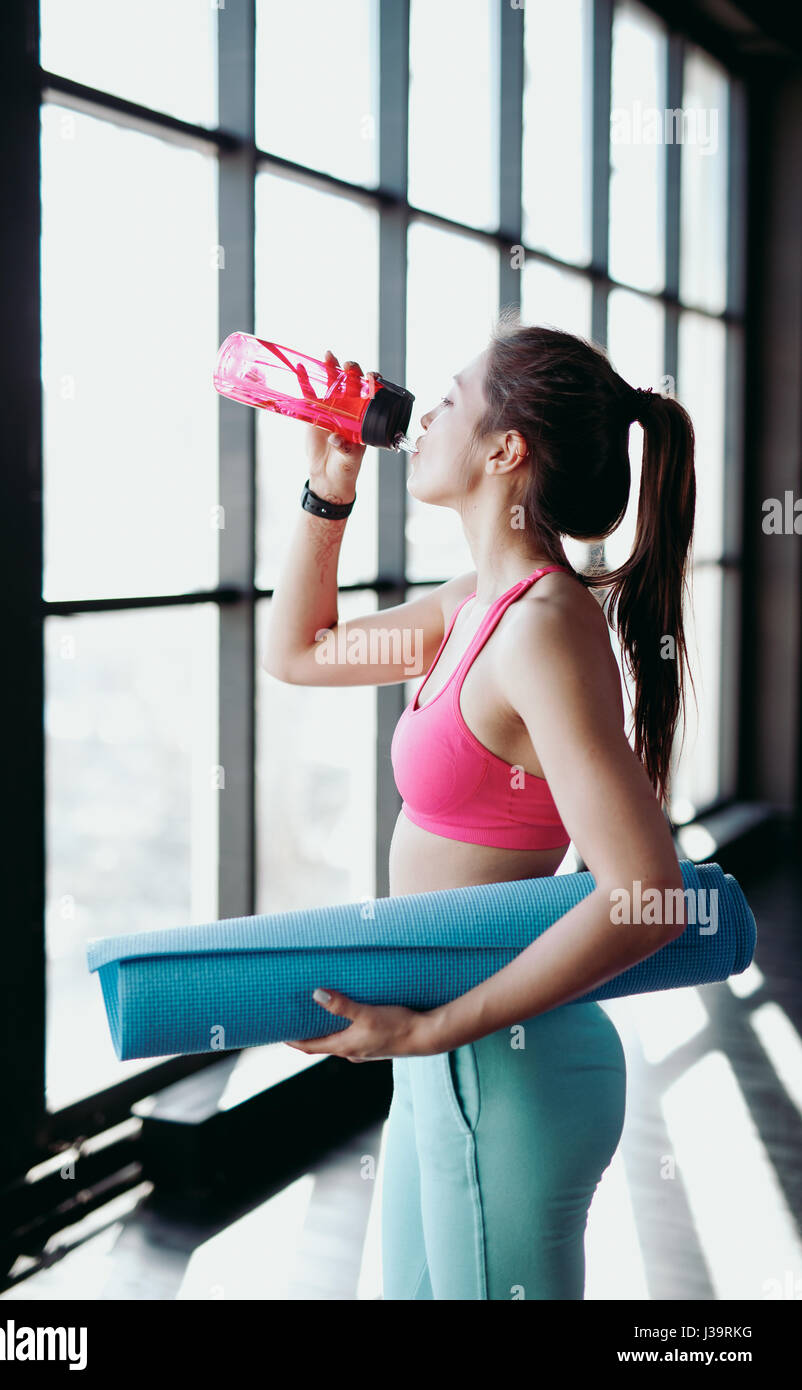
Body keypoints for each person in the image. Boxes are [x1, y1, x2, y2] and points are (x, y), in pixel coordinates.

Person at [261, 305, 697, 1300]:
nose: (423, 415)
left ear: (503, 447)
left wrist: (435, 1028)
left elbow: (647, 893)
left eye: (449, 397)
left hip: (502, 1061)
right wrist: (327, 492)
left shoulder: (541, 626)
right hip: (446, 1055)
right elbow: (298, 652)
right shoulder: (476, 606)